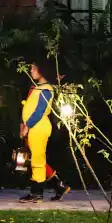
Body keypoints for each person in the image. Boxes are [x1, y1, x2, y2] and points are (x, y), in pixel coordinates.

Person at [19, 57, 70, 203]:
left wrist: (27, 125)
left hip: (38, 126)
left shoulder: (46, 89)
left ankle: (37, 193)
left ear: (42, 70)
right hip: (33, 127)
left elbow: (39, 111)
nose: (31, 71)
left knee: (38, 160)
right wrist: (23, 125)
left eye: (33, 68)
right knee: (35, 159)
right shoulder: (37, 88)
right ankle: (49, 189)